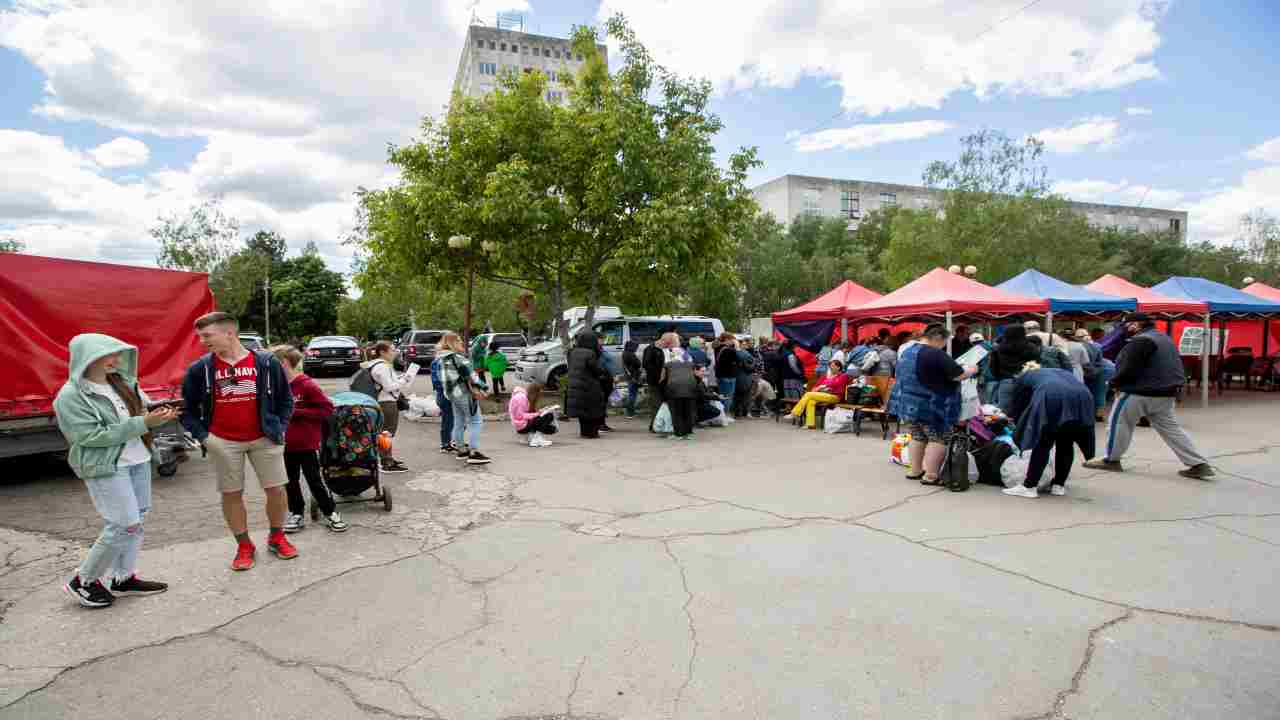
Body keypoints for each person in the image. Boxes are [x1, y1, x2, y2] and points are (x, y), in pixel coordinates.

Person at [55, 334, 173, 608]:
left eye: (118, 354)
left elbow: (142, 412)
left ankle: (123, 576)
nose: (116, 360)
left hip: (138, 459)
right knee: (123, 524)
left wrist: (157, 417)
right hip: (106, 465)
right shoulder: (71, 395)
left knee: (137, 520)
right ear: (88, 356)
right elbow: (88, 436)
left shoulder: (122, 383)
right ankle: (84, 580)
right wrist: (143, 423)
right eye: (109, 354)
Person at [181, 312, 297, 571]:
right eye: (200, 336)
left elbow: (285, 399)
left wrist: (280, 429)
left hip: (265, 438)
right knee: (231, 494)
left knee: (276, 490)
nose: (202, 341)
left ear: (229, 333)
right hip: (223, 442)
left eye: (207, 335)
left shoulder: (266, 362)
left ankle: (277, 537)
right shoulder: (201, 368)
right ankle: (244, 545)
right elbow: (186, 409)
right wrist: (205, 438)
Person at [1084, 313, 1215, 479]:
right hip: (1166, 393)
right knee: (1172, 430)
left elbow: (1129, 369)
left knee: (1120, 423)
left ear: (1137, 324)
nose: (1124, 328)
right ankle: (1198, 463)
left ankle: (1111, 460)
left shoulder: (1141, 341)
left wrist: (1113, 383)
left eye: (1126, 324)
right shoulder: (1164, 338)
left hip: (1139, 392)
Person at [887, 324, 977, 485]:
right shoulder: (935, 354)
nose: (944, 346)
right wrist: (972, 370)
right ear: (938, 338)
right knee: (939, 438)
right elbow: (958, 375)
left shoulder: (907, 351)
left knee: (917, 436)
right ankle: (931, 475)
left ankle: (915, 471)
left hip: (907, 403)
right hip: (930, 405)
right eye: (944, 342)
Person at [270, 346, 346, 533]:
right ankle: (296, 514)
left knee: (314, 480)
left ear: (284, 363)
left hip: (306, 444)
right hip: (284, 444)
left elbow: (326, 409)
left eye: (272, 364)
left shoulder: (307, 385)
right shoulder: (274, 387)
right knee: (290, 481)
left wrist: (297, 413)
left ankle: (331, 513)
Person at [1001, 367, 1096, 498]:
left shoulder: (1023, 379)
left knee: (1043, 442)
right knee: (1066, 441)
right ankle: (1059, 485)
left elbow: (1018, 406)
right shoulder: (1055, 371)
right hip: (1084, 396)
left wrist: (1017, 424)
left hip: (1052, 396)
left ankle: (1029, 487)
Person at [438, 332, 491, 465]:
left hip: (452, 395)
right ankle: (474, 452)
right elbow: (473, 377)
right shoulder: (459, 359)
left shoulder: (441, 359)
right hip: (464, 394)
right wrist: (484, 387)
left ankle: (461, 450)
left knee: (459, 421)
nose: (462, 343)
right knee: (476, 421)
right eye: (459, 341)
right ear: (453, 343)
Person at [368, 342, 411, 474]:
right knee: (386, 433)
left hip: (381, 401)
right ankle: (387, 461)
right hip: (386, 403)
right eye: (392, 350)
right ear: (382, 352)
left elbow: (387, 383)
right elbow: (389, 387)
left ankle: (387, 458)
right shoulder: (383, 367)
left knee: (384, 433)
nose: (395, 352)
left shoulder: (376, 365)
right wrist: (404, 380)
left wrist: (399, 378)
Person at [566, 331, 612, 438]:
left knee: (582, 411)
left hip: (575, 384)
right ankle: (592, 433)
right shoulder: (590, 353)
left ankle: (584, 432)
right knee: (592, 410)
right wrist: (603, 372)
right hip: (589, 385)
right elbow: (595, 369)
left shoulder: (572, 352)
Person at [987, 324, 1040, 410]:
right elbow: (1037, 364)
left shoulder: (999, 348)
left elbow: (993, 368)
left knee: (1005, 412)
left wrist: (1000, 377)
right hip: (1027, 382)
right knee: (1026, 410)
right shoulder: (1031, 347)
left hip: (1006, 381)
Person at [789, 359, 855, 429]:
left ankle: (795, 413)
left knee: (808, 394)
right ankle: (810, 424)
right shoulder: (825, 376)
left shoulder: (843, 376)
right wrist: (820, 388)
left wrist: (823, 386)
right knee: (811, 401)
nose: (831, 367)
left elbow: (836, 384)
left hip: (835, 397)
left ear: (838, 367)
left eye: (833, 366)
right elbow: (815, 387)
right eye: (830, 366)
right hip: (822, 395)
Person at [1076, 328, 1115, 422]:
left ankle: (1091, 414)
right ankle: (1098, 415)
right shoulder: (1097, 345)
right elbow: (1099, 360)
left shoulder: (1081, 346)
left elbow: (1087, 363)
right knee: (1100, 392)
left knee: (1096, 392)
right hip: (1106, 368)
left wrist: (1090, 373)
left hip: (1102, 370)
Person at [662, 341, 698, 439]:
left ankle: (678, 433)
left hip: (674, 388)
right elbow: (696, 374)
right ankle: (688, 432)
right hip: (690, 387)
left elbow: (663, 376)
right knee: (687, 410)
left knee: (676, 411)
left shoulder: (669, 363)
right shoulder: (690, 361)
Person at [508, 382, 558, 447]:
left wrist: (542, 411)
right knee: (549, 416)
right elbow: (519, 415)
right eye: (538, 394)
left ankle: (531, 437)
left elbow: (527, 413)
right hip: (522, 425)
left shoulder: (525, 397)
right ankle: (536, 438)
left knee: (551, 426)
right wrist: (537, 414)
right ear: (534, 392)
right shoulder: (521, 398)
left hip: (522, 424)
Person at [643, 333, 670, 430]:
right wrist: (659, 373)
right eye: (667, 343)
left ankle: (657, 425)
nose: (668, 346)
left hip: (661, 381)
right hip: (654, 381)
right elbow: (646, 365)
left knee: (660, 403)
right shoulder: (651, 349)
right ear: (662, 340)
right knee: (656, 403)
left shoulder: (661, 349)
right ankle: (654, 425)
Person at [430, 354, 455, 453]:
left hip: (443, 394)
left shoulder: (437, 361)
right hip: (446, 394)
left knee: (449, 419)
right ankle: (446, 443)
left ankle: (449, 442)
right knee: (448, 419)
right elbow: (439, 382)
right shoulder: (441, 362)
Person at [713, 333, 740, 412]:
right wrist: (737, 347)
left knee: (722, 396)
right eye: (732, 340)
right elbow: (738, 359)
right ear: (727, 340)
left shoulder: (717, 348)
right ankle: (726, 414)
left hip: (720, 375)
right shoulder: (730, 350)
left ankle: (721, 414)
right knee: (728, 397)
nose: (733, 341)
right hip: (729, 376)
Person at [622, 340, 643, 419]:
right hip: (633, 376)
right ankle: (630, 413)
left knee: (631, 394)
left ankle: (630, 411)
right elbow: (638, 364)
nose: (636, 348)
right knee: (632, 395)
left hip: (629, 376)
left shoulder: (624, 353)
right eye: (635, 347)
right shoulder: (631, 354)